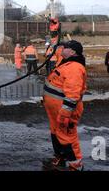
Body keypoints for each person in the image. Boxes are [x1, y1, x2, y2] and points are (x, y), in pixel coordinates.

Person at [42, 40, 87, 171]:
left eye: (65, 47)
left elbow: (73, 95)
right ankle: (60, 157)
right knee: (56, 132)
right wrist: (56, 41)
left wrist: (65, 113)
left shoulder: (75, 68)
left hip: (65, 111)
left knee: (67, 136)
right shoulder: (65, 63)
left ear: (72, 52)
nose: (62, 49)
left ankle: (76, 165)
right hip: (56, 110)